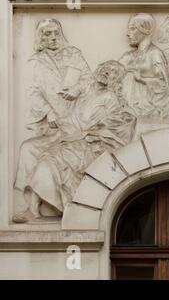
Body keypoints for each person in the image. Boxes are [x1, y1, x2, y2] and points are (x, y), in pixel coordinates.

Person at [13, 60, 136, 223]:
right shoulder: (88, 89)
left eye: (113, 71)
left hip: (84, 143)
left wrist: (80, 132)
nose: (106, 71)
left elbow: (101, 126)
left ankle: (34, 207)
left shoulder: (109, 98)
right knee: (28, 148)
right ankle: (23, 200)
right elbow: (75, 92)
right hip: (64, 135)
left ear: (116, 80)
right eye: (105, 67)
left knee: (48, 160)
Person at [14, 18, 92, 221]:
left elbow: (88, 80)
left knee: (56, 158)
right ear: (40, 38)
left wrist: (76, 91)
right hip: (52, 124)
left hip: (75, 122)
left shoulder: (74, 54)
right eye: (47, 34)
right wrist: (48, 112)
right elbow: (33, 93)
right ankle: (30, 206)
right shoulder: (36, 62)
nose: (52, 37)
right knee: (28, 149)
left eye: (55, 32)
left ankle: (57, 204)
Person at [119, 13, 169, 122]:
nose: (128, 34)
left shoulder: (154, 54)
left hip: (146, 110)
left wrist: (141, 79)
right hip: (125, 109)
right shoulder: (127, 56)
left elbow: (163, 85)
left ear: (145, 30)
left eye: (132, 29)